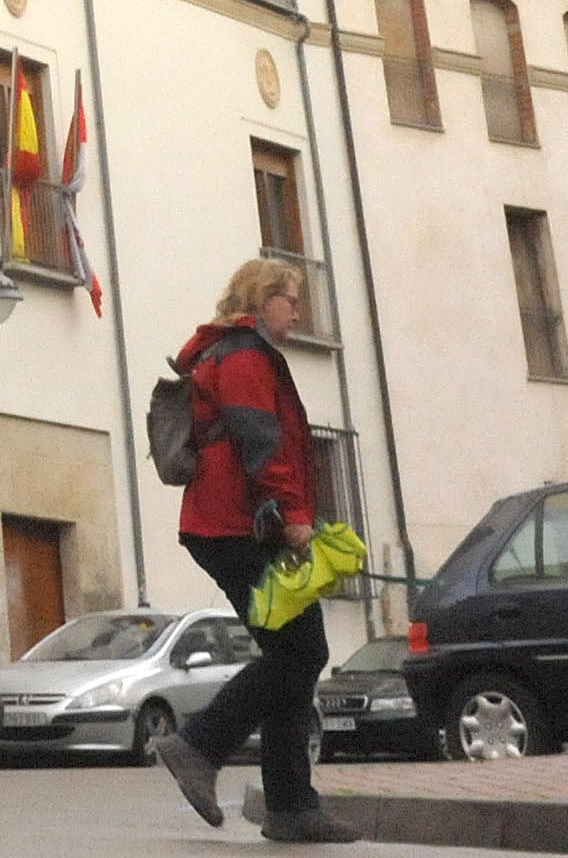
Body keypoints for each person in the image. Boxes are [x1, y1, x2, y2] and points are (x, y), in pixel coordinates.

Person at [151, 258, 359, 845]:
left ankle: (293, 805)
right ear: (262, 299)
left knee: (291, 656)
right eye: (290, 299)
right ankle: (199, 747)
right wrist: (294, 515)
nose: (297, 310)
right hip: (237, 524)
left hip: (226, 523)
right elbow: (261, 440)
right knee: (299, 653)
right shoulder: (243, 354)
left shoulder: (230, 352)